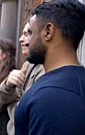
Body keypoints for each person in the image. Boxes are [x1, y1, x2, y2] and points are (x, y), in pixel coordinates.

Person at [15, 0, 85, 134]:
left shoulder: (54, 96)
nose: (25, 40)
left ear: (48, 32)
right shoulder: (68, 82)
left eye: (30, 33)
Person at [0, 21, 44, 135]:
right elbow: (5, 97)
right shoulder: (28, 64)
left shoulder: (46, 71)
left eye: (27, 34)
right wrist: (8, 85)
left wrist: (12, 105)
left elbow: (27, 117)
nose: (20, 39)